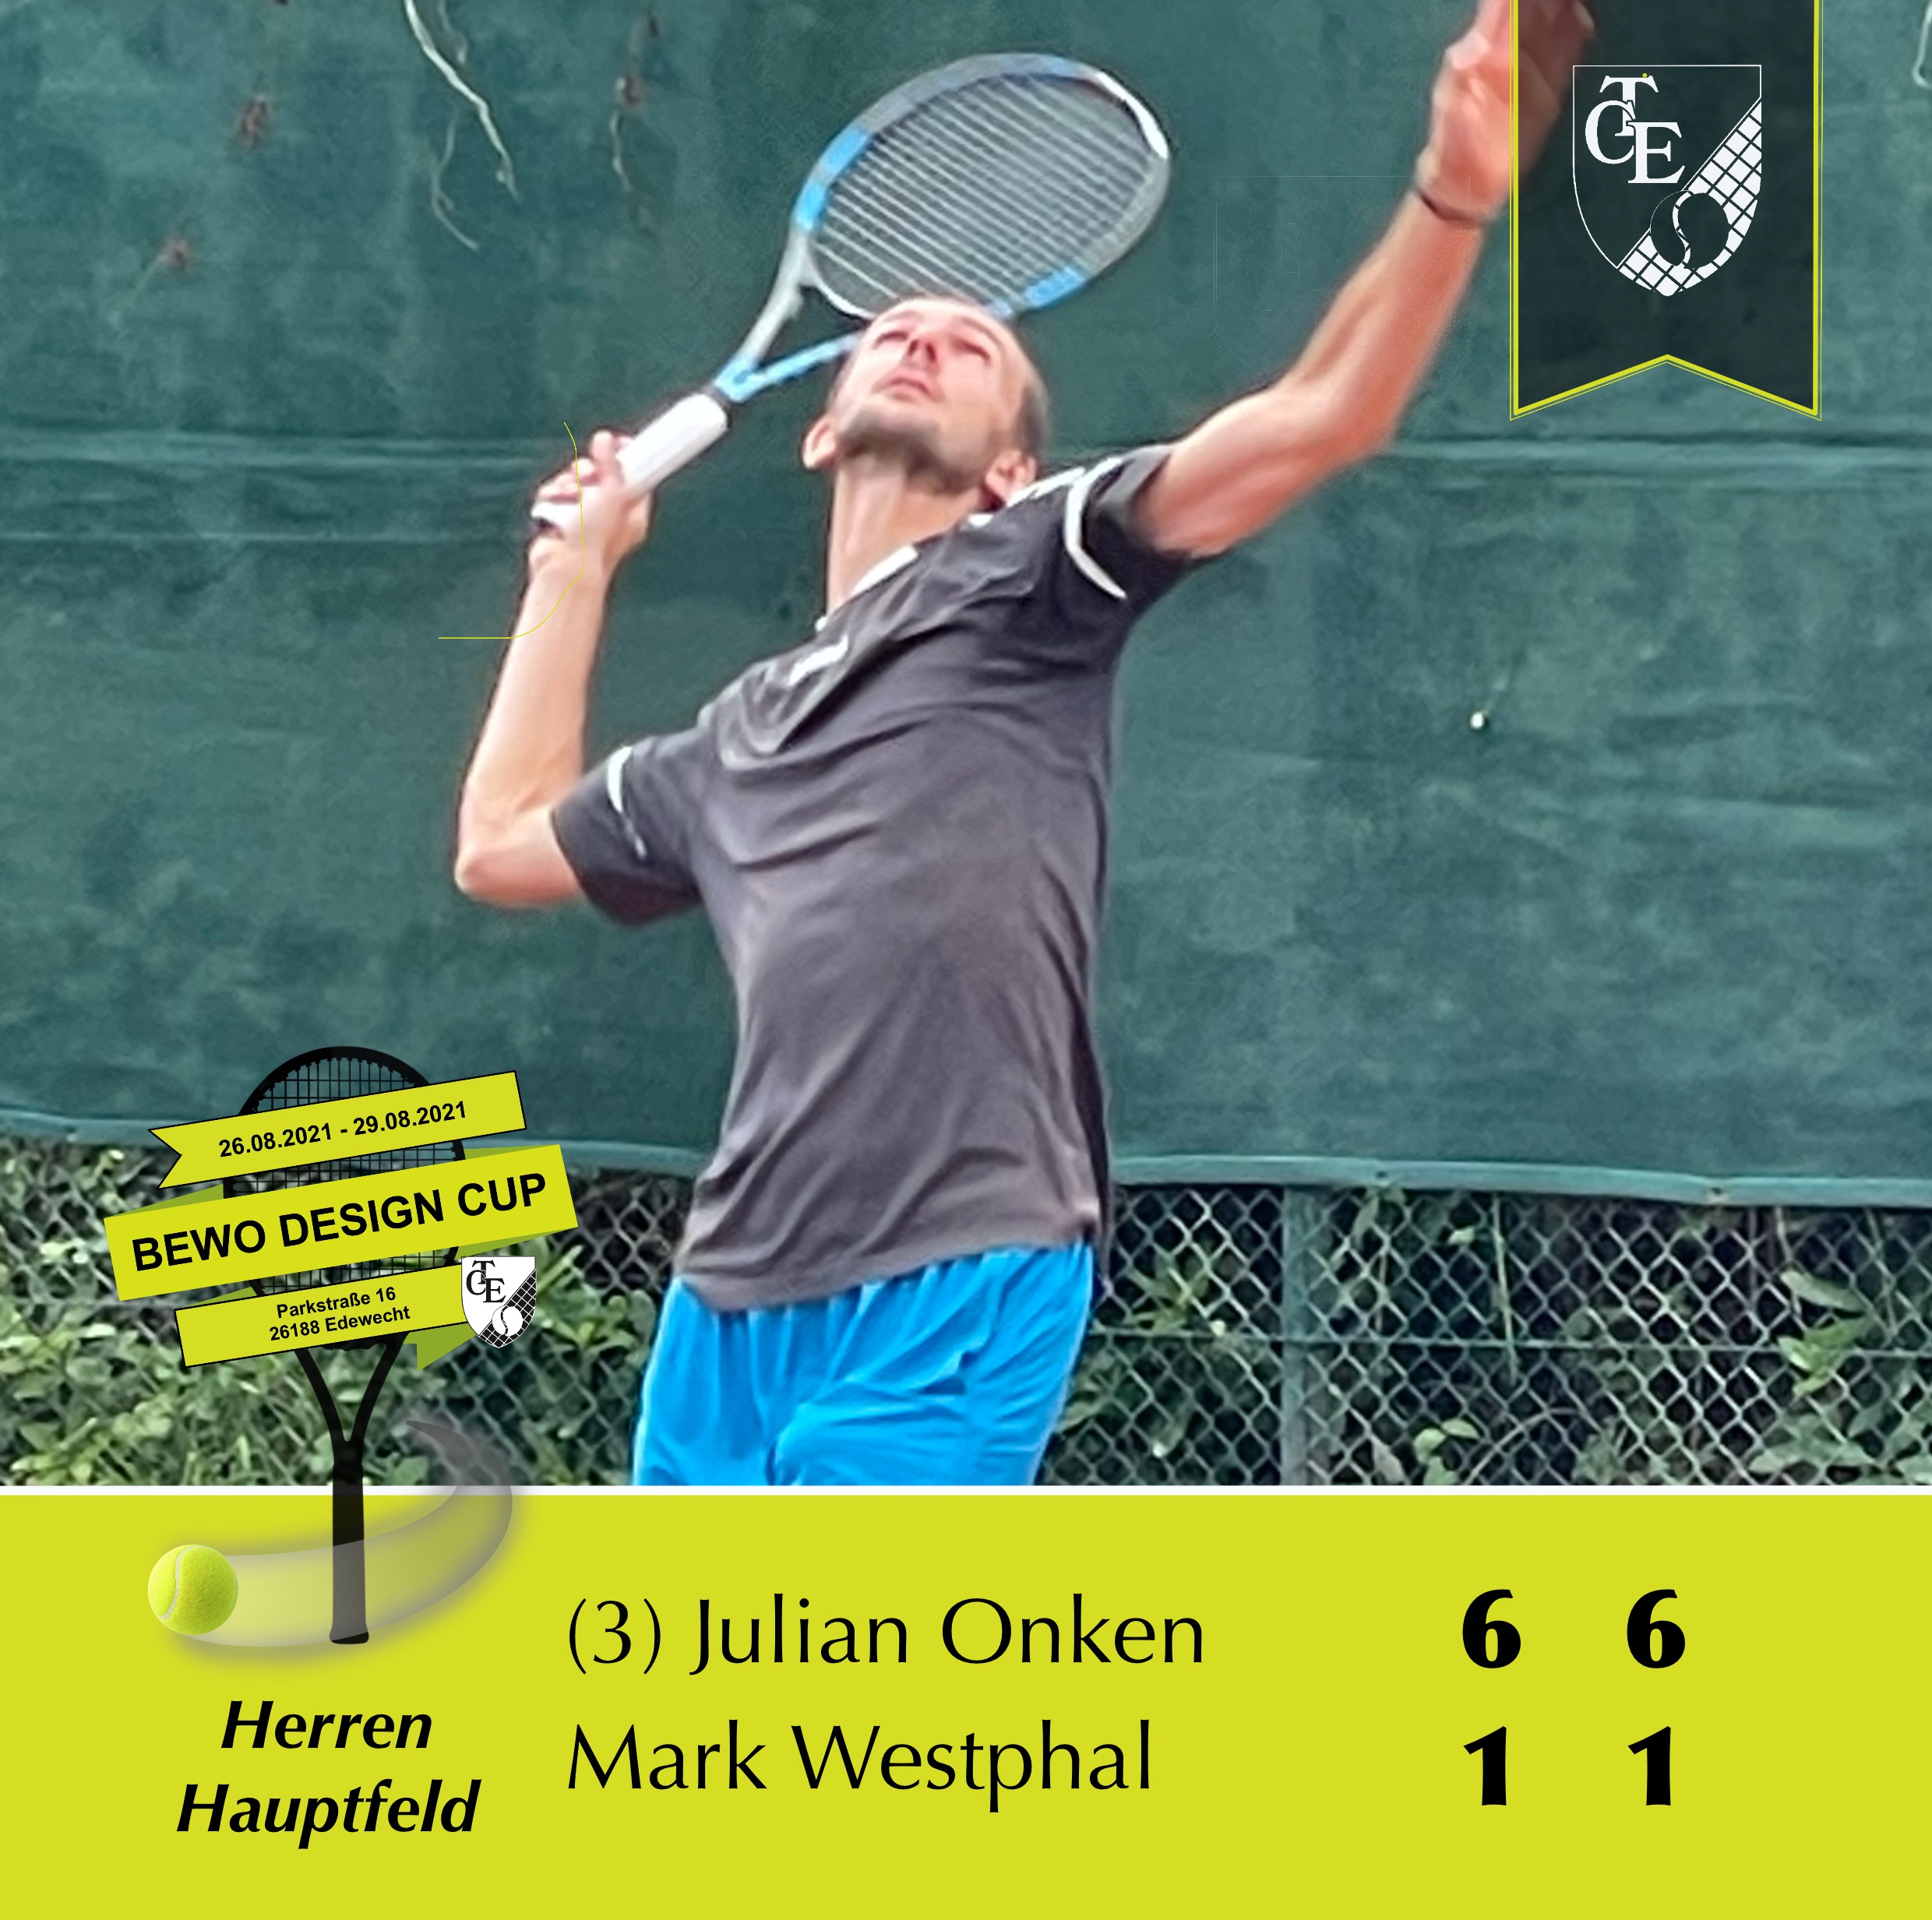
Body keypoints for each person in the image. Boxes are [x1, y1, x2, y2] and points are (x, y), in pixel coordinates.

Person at [453, 0, 1592, 1484]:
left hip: (964, 1264)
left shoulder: (1037, 567)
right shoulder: (730, 746)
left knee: (856, 1635)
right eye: (894, 326)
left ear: (1012, 470)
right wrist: (575, 570)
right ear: (821, 428)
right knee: (699, 1638)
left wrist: (1453, 191)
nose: (924, 331)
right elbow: (499, 845)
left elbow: (1325, 415)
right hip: (725, 1302)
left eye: (975, 340)